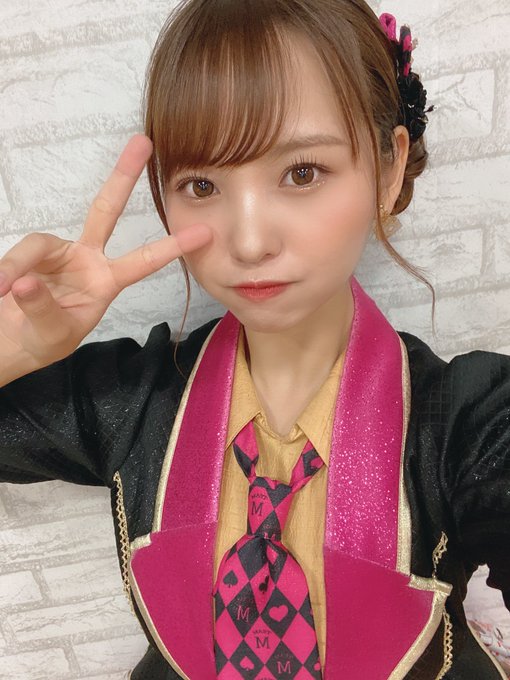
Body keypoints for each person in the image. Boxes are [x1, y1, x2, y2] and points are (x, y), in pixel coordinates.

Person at [0, 1, 509, 678]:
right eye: (202, 184)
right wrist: (14, 352)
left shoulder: (467, 419)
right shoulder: (138, 398)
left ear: (387, 169)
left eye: (302, 173)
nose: (247, 241)